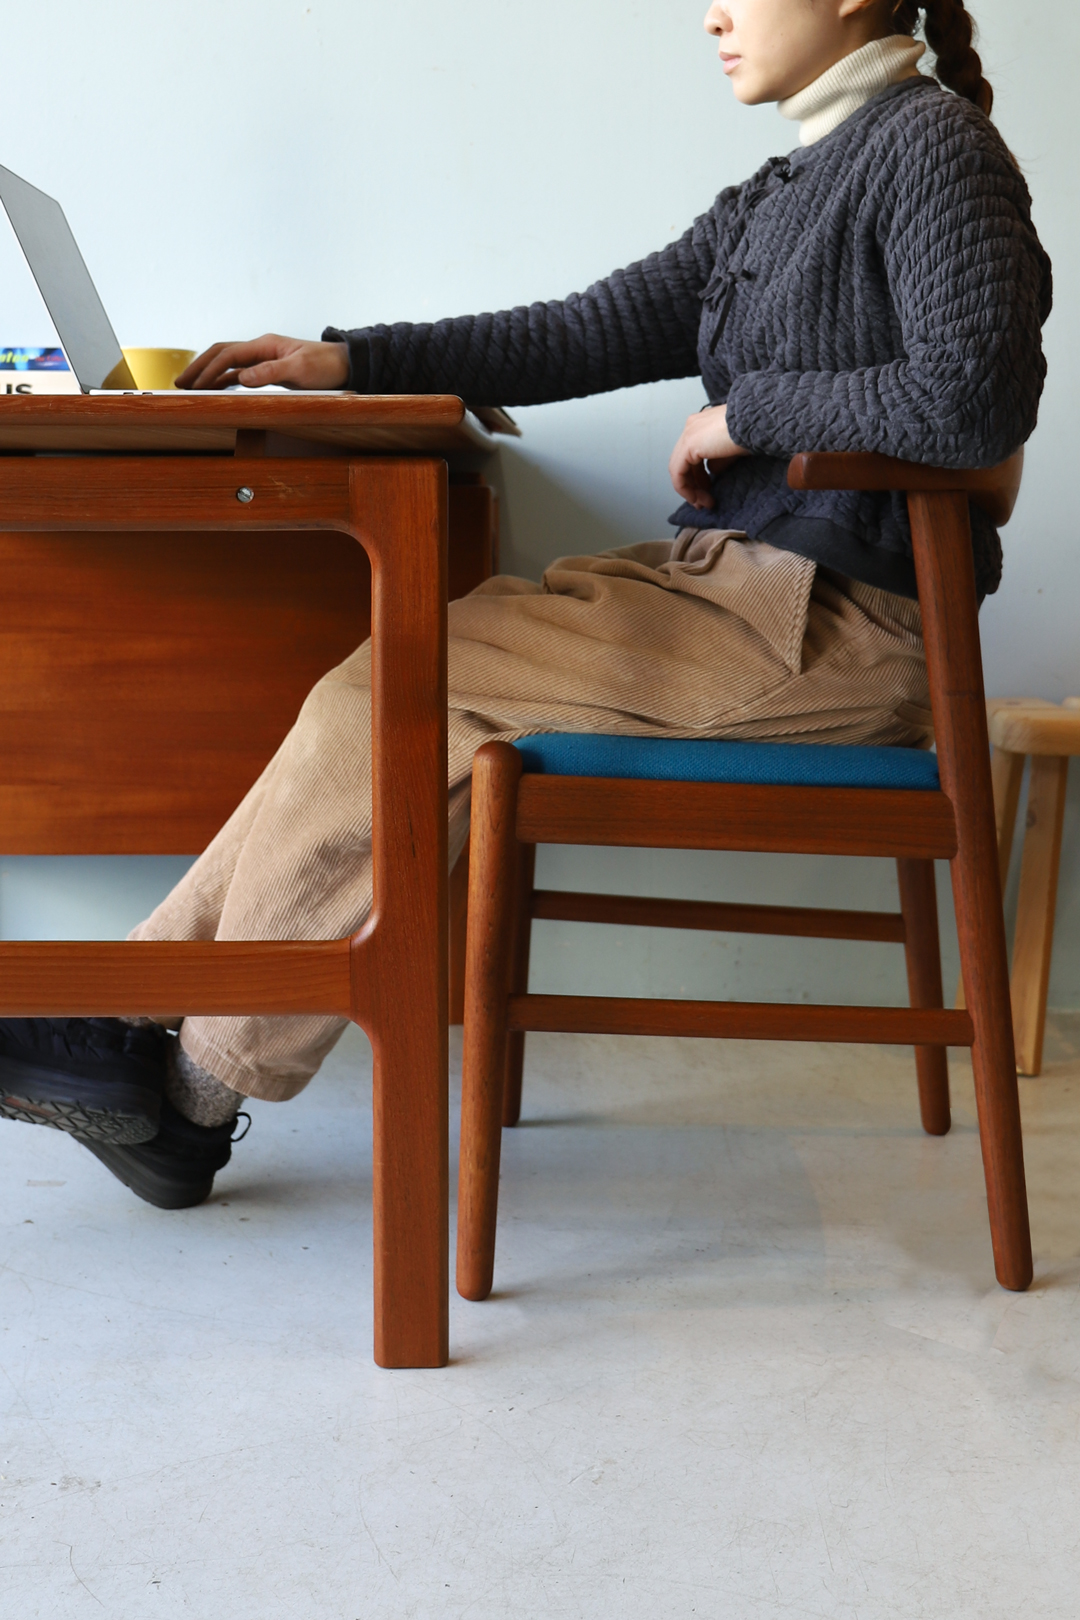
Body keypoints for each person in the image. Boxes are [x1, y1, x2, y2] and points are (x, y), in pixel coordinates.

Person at [0, 0, 1052, 1208]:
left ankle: (175, 1075)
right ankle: (156, 1051)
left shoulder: (933, 148)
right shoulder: (786, 187)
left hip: (829, 624)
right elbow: (585, 330)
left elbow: (973, 402)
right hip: (737, 594)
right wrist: (353, 360)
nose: (710, 14)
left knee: (394, 686)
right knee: (394, 680)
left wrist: (743, 417)